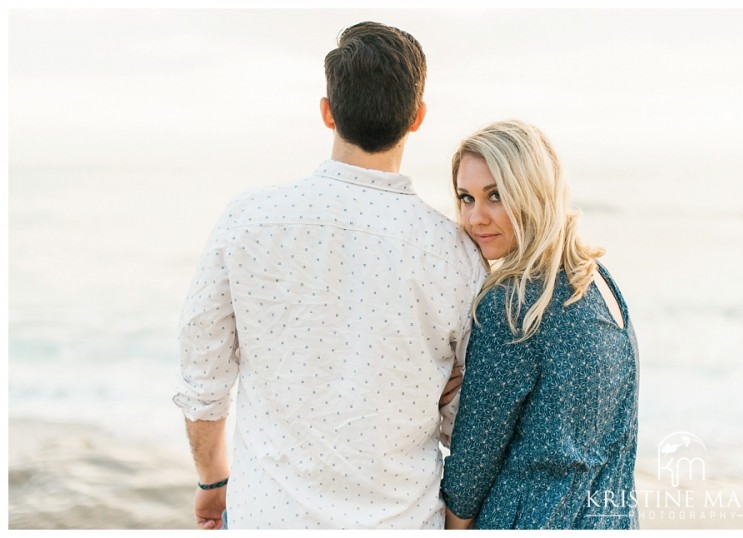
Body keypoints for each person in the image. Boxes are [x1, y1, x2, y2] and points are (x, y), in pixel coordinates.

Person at [173, 21, 485, 530]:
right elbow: (466, 420)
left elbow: (202, 374)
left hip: (268, 519)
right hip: (400, 522)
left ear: (327, 112)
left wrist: (212, 481)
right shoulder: (457, 252)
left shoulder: (248, 219)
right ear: (418, 118)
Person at [440, 120, 639, 529]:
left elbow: (472, 466)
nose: (476, 217)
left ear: (532, 191)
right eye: (466, 198)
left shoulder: (513, 303)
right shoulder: (599, 282)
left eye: (496, 195)